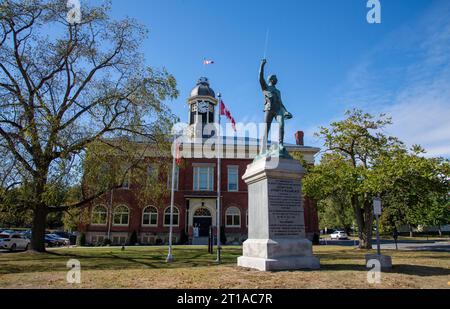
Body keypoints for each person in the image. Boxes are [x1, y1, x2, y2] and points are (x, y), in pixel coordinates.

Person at [259, 59, 293, 150]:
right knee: (266, 129)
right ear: (271, 79)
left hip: (278, 110)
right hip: (269, 109)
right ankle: (263, 147)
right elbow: (260, 77)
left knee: (281, 125)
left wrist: (286, 111)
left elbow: (281, 103)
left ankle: (281, 144)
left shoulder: (278, 91)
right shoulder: (266, 87)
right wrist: (262, 65)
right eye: (275, 78)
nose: (277, 79)